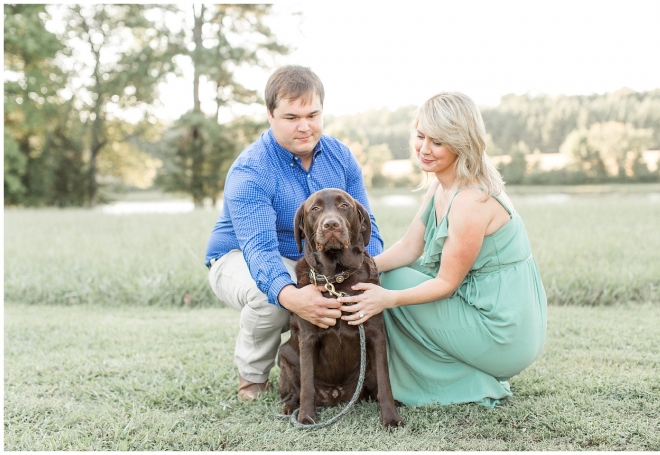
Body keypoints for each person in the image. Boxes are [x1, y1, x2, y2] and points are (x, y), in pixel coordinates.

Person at [337, 92, 547, 407]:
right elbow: (409, 247)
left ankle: (470, 382)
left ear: (461, 143)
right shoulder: (441, 185)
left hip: (504, 332)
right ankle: (442, 374)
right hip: (480, 309)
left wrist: (387, 298)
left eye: (437, 141)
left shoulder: (470, 201)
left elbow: (446, 284)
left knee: (392, 283)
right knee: (391, 274)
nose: (424, 148)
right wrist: (353, 274)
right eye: (420, 136)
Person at [205, 65, 384, 400]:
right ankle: (253, 378)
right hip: (237, 256)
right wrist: (292, 296)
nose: (304, 126)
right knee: (275, 293)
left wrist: (369, 278)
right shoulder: (251, 170)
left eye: (313, 114)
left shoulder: (340, 156)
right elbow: (260, 251)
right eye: (291, 117)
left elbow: (365, 228)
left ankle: (371, 375)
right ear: (270, 115)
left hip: (312, 259)